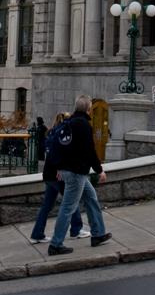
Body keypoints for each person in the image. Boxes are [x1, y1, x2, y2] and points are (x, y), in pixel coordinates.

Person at [47, 95, 111, 256]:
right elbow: (89, 151)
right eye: (90, 107)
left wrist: (58, 168)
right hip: (76, 173)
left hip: (67, 170)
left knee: (91, 197)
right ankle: (55, 244)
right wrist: (99, 170)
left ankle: (98, 234)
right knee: (68, 207)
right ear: (88, 108)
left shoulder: (67, 122)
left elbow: (57, 147)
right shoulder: (83, 125)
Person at [29, 111, 88, 244]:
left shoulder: (51, 133)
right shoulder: (63, 134)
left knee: (47, 205)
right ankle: (76, 229)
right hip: (58, 174)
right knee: (71, 200)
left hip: (49, 174)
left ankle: (37, 233)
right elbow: (60, 154)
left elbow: (49, 154)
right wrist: (60, 169)